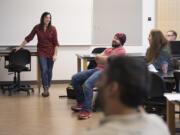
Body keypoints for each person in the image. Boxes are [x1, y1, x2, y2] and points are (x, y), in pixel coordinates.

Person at [81, 56, 170, 135]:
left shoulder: (98, 133)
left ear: (112, 88)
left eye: (101, 81)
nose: (98, 84)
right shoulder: (158, 124)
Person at [71, 33, 127, 120]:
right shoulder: (109, 49)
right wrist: (101, 58)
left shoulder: (121, 51)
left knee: (88, 84)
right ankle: (81, 103)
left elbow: (105, 59)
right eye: (114, 38)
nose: (114, 39)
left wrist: (102, 57)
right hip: (97, 69)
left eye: (117, 39)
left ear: (121, 41)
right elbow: (97, 59)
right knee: (75, 78)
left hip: (107, 72)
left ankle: (86, 111)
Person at [14, 12, 59, 97]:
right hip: (41, 51)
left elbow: (56, 43)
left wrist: (55, 55)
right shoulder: (37, 27)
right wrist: (20, 47)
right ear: (42, 18)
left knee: (49, 71)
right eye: (46, 18)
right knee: (44, 69)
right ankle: (45, 88)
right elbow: (29, 37)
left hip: (51, 52)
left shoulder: (53, 28)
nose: (48, 19)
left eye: (49, 18)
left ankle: (48, 86)